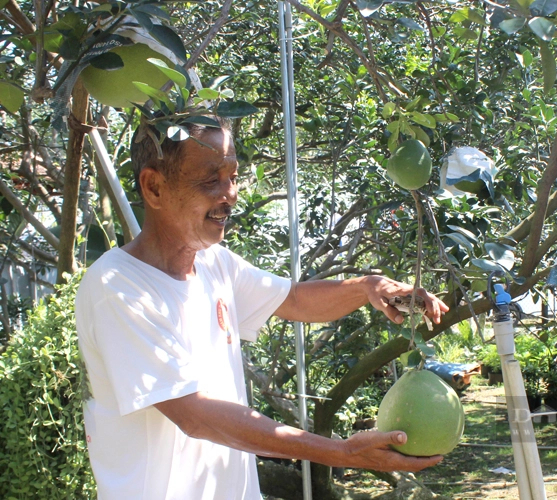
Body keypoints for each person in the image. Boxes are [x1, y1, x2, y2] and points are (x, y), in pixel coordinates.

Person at [75, 115, 449, 499]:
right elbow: (195, 416)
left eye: (232, 176)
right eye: (210, 179)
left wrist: (368, 287)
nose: (230, 193)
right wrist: (342, 452)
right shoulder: (118, 288)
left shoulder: (212, 262)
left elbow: (294, 298)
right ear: (154, 187)